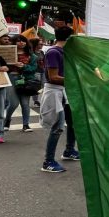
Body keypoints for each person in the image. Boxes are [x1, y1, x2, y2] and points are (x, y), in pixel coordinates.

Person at [39, 26, 78, 173]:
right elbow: (53, 77)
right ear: (69, 38)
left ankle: (69, 150)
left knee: (72, 123)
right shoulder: (53, 52)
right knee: (57, 128)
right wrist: (76, 81)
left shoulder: (66, 52)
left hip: (65, 91)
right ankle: (48, 161)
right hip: (55, 92)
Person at [5, 35, 38, 132]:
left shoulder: (32, 56)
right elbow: (3, 66)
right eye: (18, 41)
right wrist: (12, 64)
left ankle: (26, 125)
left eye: (23, 41)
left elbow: (33, 69)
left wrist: (24, 66)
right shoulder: (8, 54)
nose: (21, 43)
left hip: (26, 80)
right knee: (14, 103)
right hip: (11, 78)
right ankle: (7, 120)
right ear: (14, 42)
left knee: (25, 104)